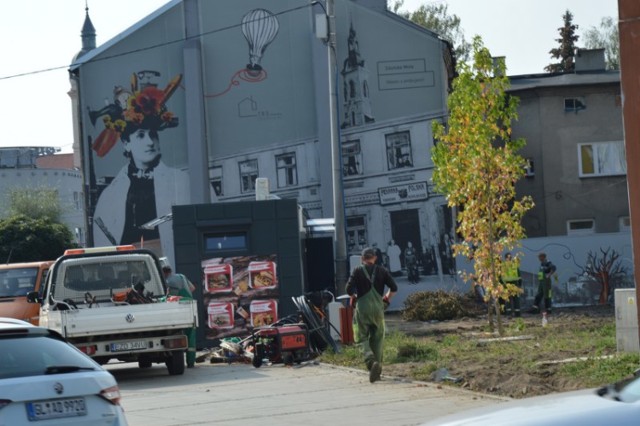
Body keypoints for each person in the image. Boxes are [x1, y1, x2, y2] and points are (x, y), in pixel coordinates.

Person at [91, 71, 189, 266]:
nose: (150, 142)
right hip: (128, 276)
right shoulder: (110, 195)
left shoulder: (183, 182)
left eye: (154, 135)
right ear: (126, 143)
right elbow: (102, 249)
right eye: (141, 135)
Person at [346, 247, 398, 383]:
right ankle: (378, 370)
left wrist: (353, 296)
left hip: (362, 309)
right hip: (378, 310)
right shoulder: (382, 271)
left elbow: (348, 289)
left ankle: (370, 361)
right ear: (375, 258)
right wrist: (386, 299)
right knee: (378, 339)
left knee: (360, 336)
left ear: (362, 259)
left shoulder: (357, 270)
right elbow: (394, 288)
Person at [162, 265, 197, 368]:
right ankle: (191, 363)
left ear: (164, 273)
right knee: (191, 337)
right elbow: (192, 288)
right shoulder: (181, 276)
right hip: (190, 308)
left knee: (181, 335)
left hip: (179, 310)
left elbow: (169, 298)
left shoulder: (167, 282)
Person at [501, 252, 523, 317]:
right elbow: (519, 275)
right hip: (515, 283)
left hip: (507, 284)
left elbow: (501, 276)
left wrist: (502, 284)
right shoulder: (515, 265)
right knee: (516, 299)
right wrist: (520, 284)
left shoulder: (503, 265)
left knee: (508, 299)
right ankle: (517, 314)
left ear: (505, 258)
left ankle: (509, 313)